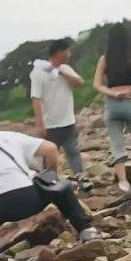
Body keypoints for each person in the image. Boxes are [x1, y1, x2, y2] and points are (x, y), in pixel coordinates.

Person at [0, 121, 103, 250]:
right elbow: (51, 149)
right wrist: (51, 177)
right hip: (23, 200)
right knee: (62, 186)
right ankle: (86, 230)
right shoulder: (5, 136)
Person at [30, 38, 92, 191]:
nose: (70, 54)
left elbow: (79, 83)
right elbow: (36, 99)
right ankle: (47, 183)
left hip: (68, 120)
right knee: (50, 155)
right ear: (59, 52)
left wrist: (62, 72)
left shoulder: (65, 68)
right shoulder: (38, 73)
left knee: (73, 151)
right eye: (68, 51)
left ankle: (82, 178)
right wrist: (40, 124)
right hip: (51, 124)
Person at [93, 24, 131, 193]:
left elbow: (97, 85)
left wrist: (112, 93)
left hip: (112, 104)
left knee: (117, 144)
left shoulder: (105, 59)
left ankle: (123, 182)